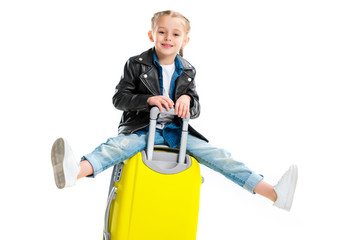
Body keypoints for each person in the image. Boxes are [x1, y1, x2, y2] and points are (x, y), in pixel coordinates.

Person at [51, 10, 298, 211]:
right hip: (142, 129)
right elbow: (120, 98)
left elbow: (196, 106)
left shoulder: (188, 70)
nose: (168, 38)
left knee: (220, 156)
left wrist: (188, 102)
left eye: (175, 34)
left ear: (184, 40)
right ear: (152, 34)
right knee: (116, 147)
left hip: (175, 132)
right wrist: (148, 100)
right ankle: (75, 172)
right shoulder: (137, 64)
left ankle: (274, 193)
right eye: (162, 32)